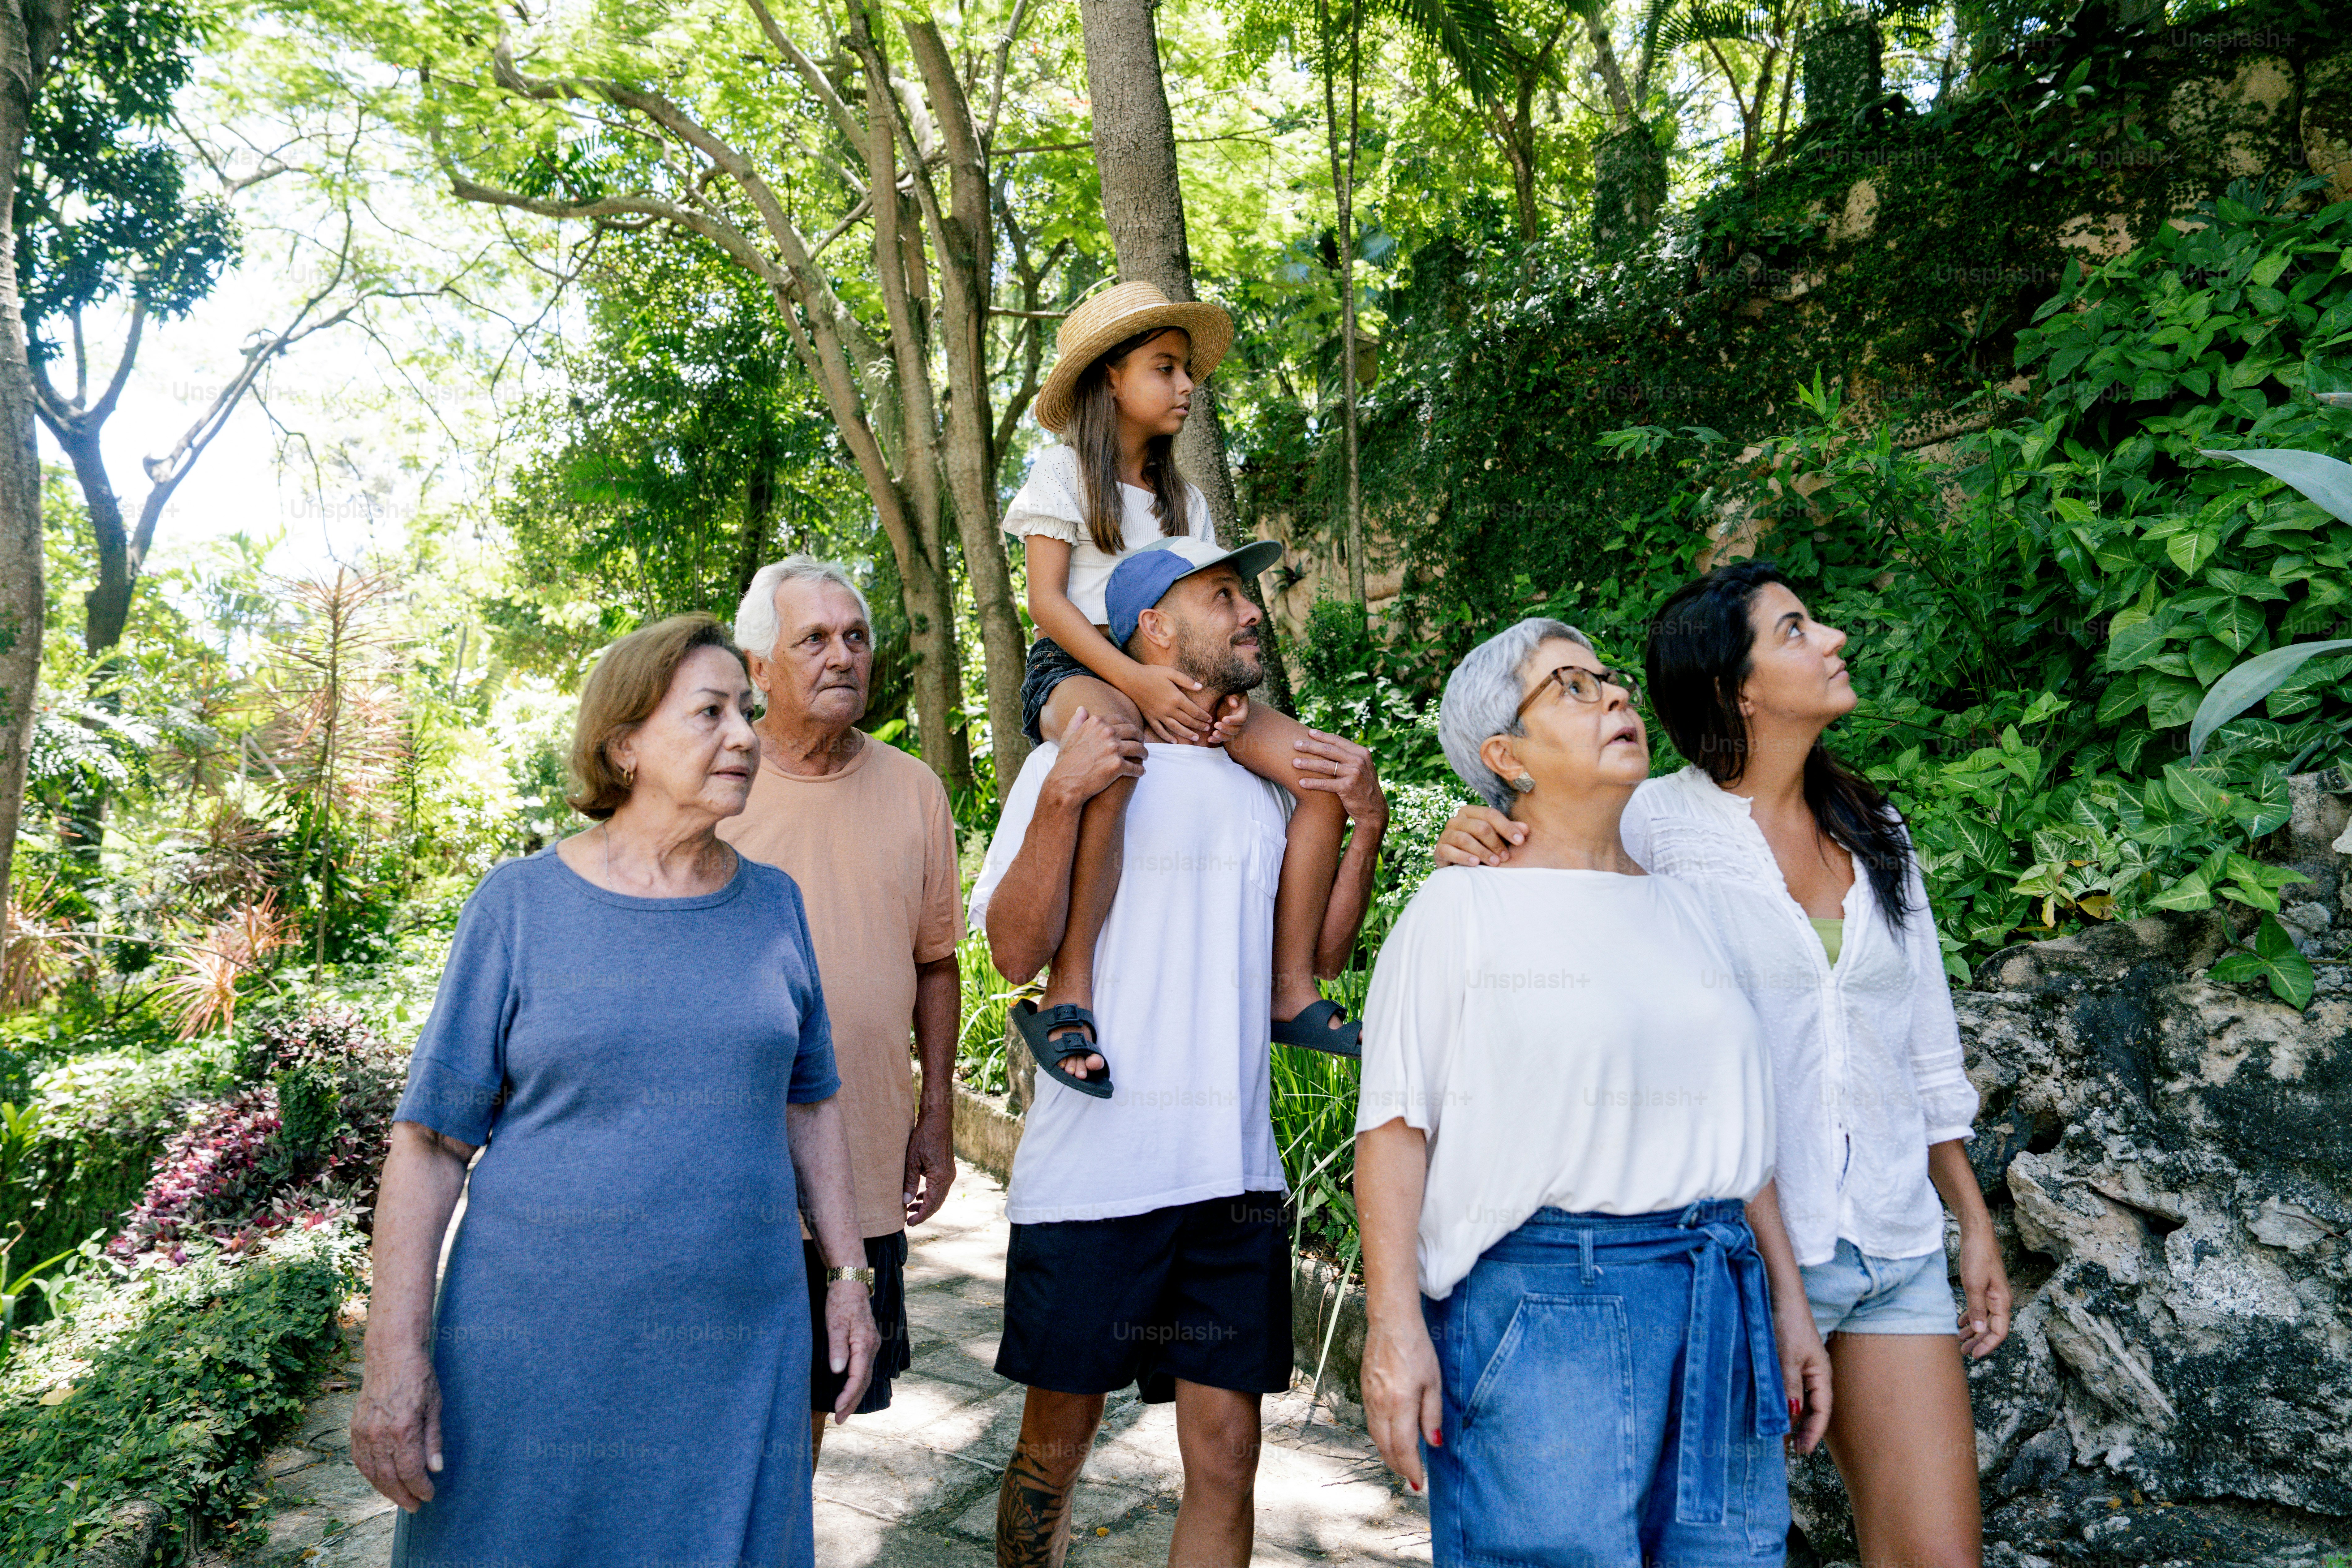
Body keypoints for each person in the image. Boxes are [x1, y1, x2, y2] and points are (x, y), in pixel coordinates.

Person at [1438, 561, 2006, 1568]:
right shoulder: (1652, 823)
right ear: (1738, 687)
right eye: (1796, 630)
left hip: (1892, 1243)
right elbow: (1543, 885)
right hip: (1736, 1255)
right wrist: (1476, 832)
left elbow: (1924, 1044)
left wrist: (1969, 1220)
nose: (1832, 639)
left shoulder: (1877, 830)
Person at [352, 613, 879, 1568]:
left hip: (735, 1348)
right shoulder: (518, 905)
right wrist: (395, 1351)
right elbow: (429, 1141)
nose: (745, 736)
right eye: (710, 712)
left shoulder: (773, 905)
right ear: (625, 744)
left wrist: (847, 1279)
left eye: (748, 713)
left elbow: (811, 1101)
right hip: (529, 1351)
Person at [1357, 616, 1832, 1568]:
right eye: (1569, 687)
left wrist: (1786, 1301)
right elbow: (1396, 1130)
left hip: (1717, 1289)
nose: (1613, 696)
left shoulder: (1684, 906)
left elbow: (1739, 1127)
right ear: (1505, 756)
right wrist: (1392, 1328)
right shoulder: (1459, 909)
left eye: (1607, 680)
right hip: (1547, 1309)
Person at [970, 537, 1388, 1568]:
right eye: (1221, 594)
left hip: (1232, 1177)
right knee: (1052, 1455)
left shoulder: (1269, 792)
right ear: (1152, 629)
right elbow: (1011, 951)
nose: (1250, 611)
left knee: (1227, 1457)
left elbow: (1318, 956)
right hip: (1094, 1178)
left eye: (1245, 593)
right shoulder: (1074, 758)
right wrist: (1062, 796)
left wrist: (1366, 820)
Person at [1004, 277, 1357, 1094]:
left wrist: (1217, 694)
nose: (1185, 386)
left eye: (1186, 371)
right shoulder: (1062, 474)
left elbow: (1201, 605)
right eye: (1164, 368)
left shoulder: (1183, 497)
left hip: (1181, 669)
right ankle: (1068, 986)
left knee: (1319, 772)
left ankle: (1289, 986)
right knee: (1113, 745)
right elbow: (1047, 603)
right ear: (1110, 382)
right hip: (1083, 665)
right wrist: (1137, 683)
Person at [717, 556, 960, 1461]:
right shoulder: (714, 787)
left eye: (855, 636)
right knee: (721, 1404)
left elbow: (936, 964)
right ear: (760, 668)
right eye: (812, 639)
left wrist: (936, 1118)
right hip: (729, 1158)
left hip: (859, 1155)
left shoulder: (915, 790)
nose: (841, 656)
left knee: (816, 1410)